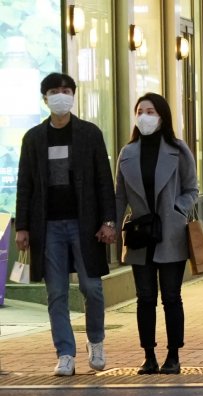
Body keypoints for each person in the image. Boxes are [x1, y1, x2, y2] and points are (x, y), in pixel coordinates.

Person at [14, 72, 117, 376]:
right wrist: (22, 226)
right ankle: (65, 353)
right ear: (45, 98)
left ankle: (96, 342)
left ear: (73, 95)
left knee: (92, 287)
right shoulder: (33, 138)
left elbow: (103, 181)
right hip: (48, 227)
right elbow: (25, 184)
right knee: (56, 292)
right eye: (54, 91)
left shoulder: (89, 134)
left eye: (66, 90)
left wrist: (108, 220)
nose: (61, 95)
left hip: (85, 224)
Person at [114, 93, 199, 375]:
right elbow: (119, 197)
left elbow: (192, 189)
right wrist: (111, 228)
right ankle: (148, 355)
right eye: (140, 111)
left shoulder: (178, 149)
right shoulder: (127, 153)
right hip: (140, 234)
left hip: (170, 233)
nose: (145, 116)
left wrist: (177, 208)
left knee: (171, 296)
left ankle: (173, 355)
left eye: (151, 111)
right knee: (145, 297)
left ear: (162, 116)